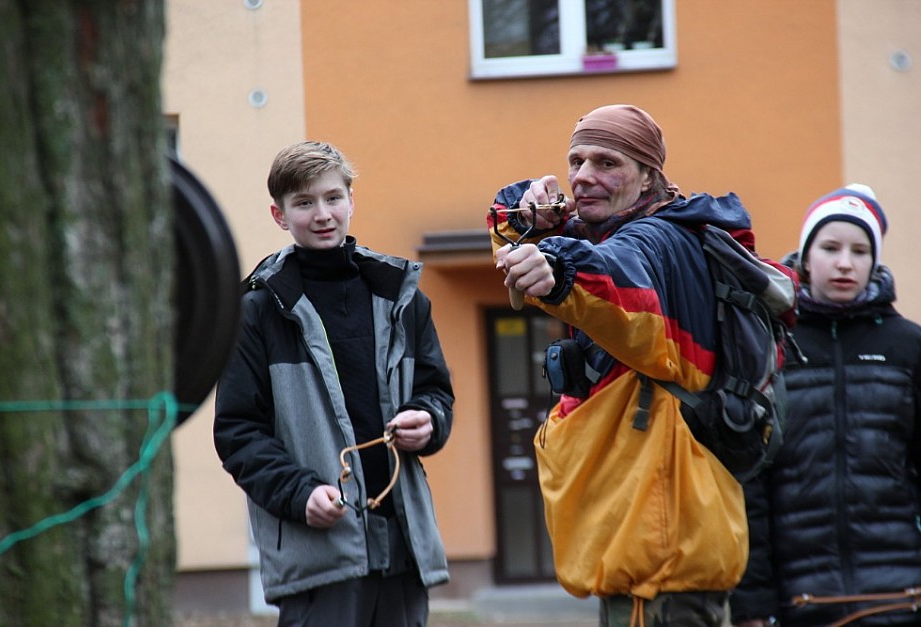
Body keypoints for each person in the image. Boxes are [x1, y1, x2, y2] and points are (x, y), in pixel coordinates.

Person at [487, 104, 783, 626]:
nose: (583, 176)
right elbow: (588, 254)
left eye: (607, 163)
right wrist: (530, 220)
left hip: (661, 571)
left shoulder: (658, 242)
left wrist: (556, 269)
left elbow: (623, 288)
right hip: (659, 561)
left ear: (649, 175)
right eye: (576, 160)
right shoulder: (653, 232)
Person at [213, 140, 454, 627]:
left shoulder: (402, 296)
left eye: (332, 198)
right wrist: (300, 493)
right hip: (320, 556)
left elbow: (436, 392)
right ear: (280, 216)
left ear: (351, 200)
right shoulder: (256, 312)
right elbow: (238, 433)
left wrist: (429, 420)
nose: (322, 214)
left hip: (404, 549)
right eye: (304, 203)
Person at [730, 185, 921, 627]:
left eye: (859, 250)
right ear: (806, 253)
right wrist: (752, 604)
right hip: (801, 599)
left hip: (901, 595)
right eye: (830, 247)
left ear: (874, 261)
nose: (844, 263)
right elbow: (750, 483)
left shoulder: (908, 347)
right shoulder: (771, 342)